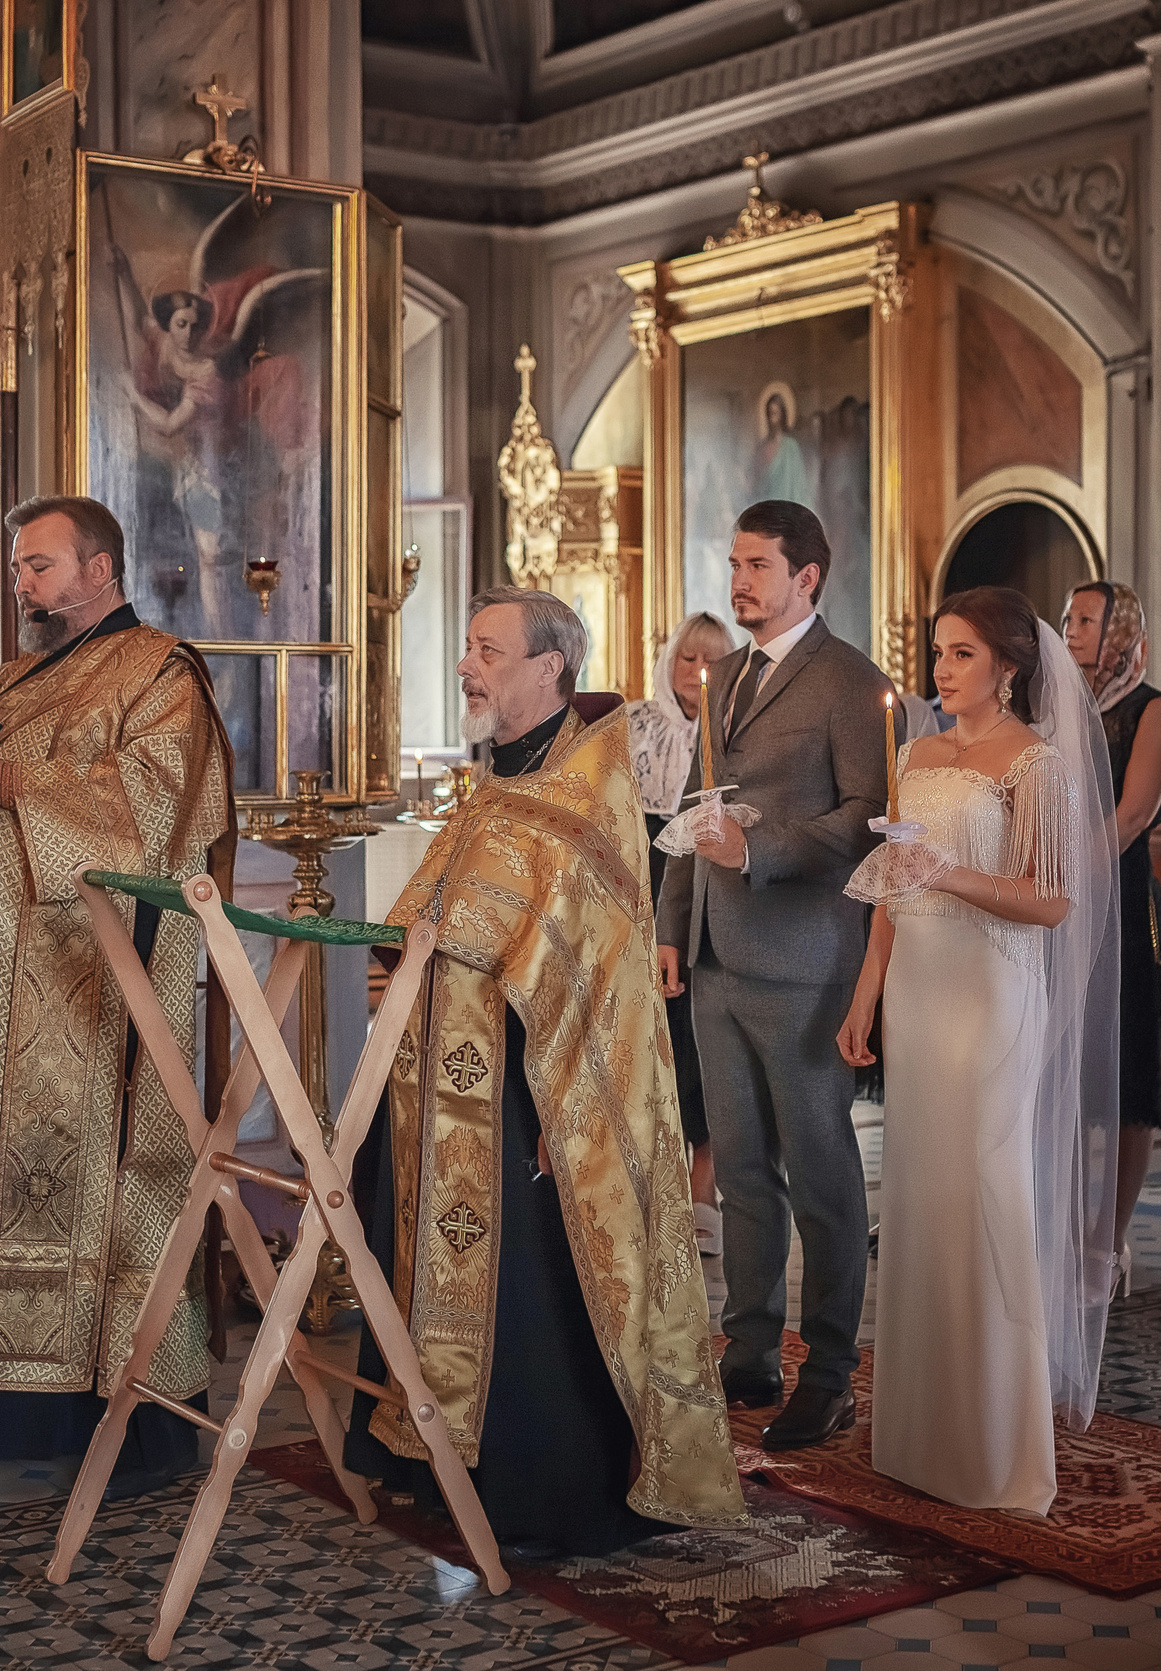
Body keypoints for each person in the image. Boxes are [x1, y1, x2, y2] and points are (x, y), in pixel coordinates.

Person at [344, 588, 745, 1560]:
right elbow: (444, 910)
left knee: (531, 1287)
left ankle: (541, 1491)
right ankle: (433, 1464)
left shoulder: (588, 788)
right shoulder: (502, 776)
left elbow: (571, 949)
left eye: (487, 649)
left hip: (538, 1093)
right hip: (443, 1082)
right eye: (469, 646)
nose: (466, 664)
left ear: (548, 667)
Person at [0, 494, 234, 1489]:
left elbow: (163, 807)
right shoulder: (16, 676)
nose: (25, 583)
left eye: (42, 567)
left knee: (87, 1182)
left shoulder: (159, 673)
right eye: (20, 567)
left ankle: (96, 1404)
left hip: (79, 979)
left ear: (100, 570)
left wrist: (15, 785)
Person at [836, 587, 1121, 1514]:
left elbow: (1051, 901)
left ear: (1006, 665)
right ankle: (922, 1436)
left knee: (986, 1189)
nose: (941, 670)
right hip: (917, 990)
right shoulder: (915, 752)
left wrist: (947, 872)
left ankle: (996, 1446)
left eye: (960, 654)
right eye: (937, 652)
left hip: (991, 993)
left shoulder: (1036, 764)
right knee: (921, 1197)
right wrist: (866, 994)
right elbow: (888, 886)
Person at [655, 499, 890, 1451]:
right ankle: (747, 1349)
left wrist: (761, 851)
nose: (739, 580)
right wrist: (675, 923)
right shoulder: (724, 678)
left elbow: (871, 816)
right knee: (742, 1174)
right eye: (735, 561)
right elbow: (690, 803)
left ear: (807, 578)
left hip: (805, 962)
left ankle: (828, 1368)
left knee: (822, 1173)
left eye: (758, 565)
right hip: (714, 955)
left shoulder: (852, 683)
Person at [1062, 581, 1161, 1293]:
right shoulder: (1051, 699)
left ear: (1120, 630)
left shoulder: (1152, 708)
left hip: (1119, 904)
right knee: (1066, 1074)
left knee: (1130, 1079)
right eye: (1069, 617)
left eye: (1085, 619)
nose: (1071, 628)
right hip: (1052, 904)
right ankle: (1065, 1226)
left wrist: (1070, 880)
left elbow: (1134, 813)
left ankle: (1109, 1241)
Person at [627, 611, 737, 1255]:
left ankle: (704, 1189)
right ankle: (653, 1189)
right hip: (643, 885)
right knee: (655, 1045)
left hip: (709, 890)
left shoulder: (734, 730)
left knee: (706, 1048)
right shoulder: (635, 726)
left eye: (712, 661)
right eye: (687, 658)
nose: (698, 673)